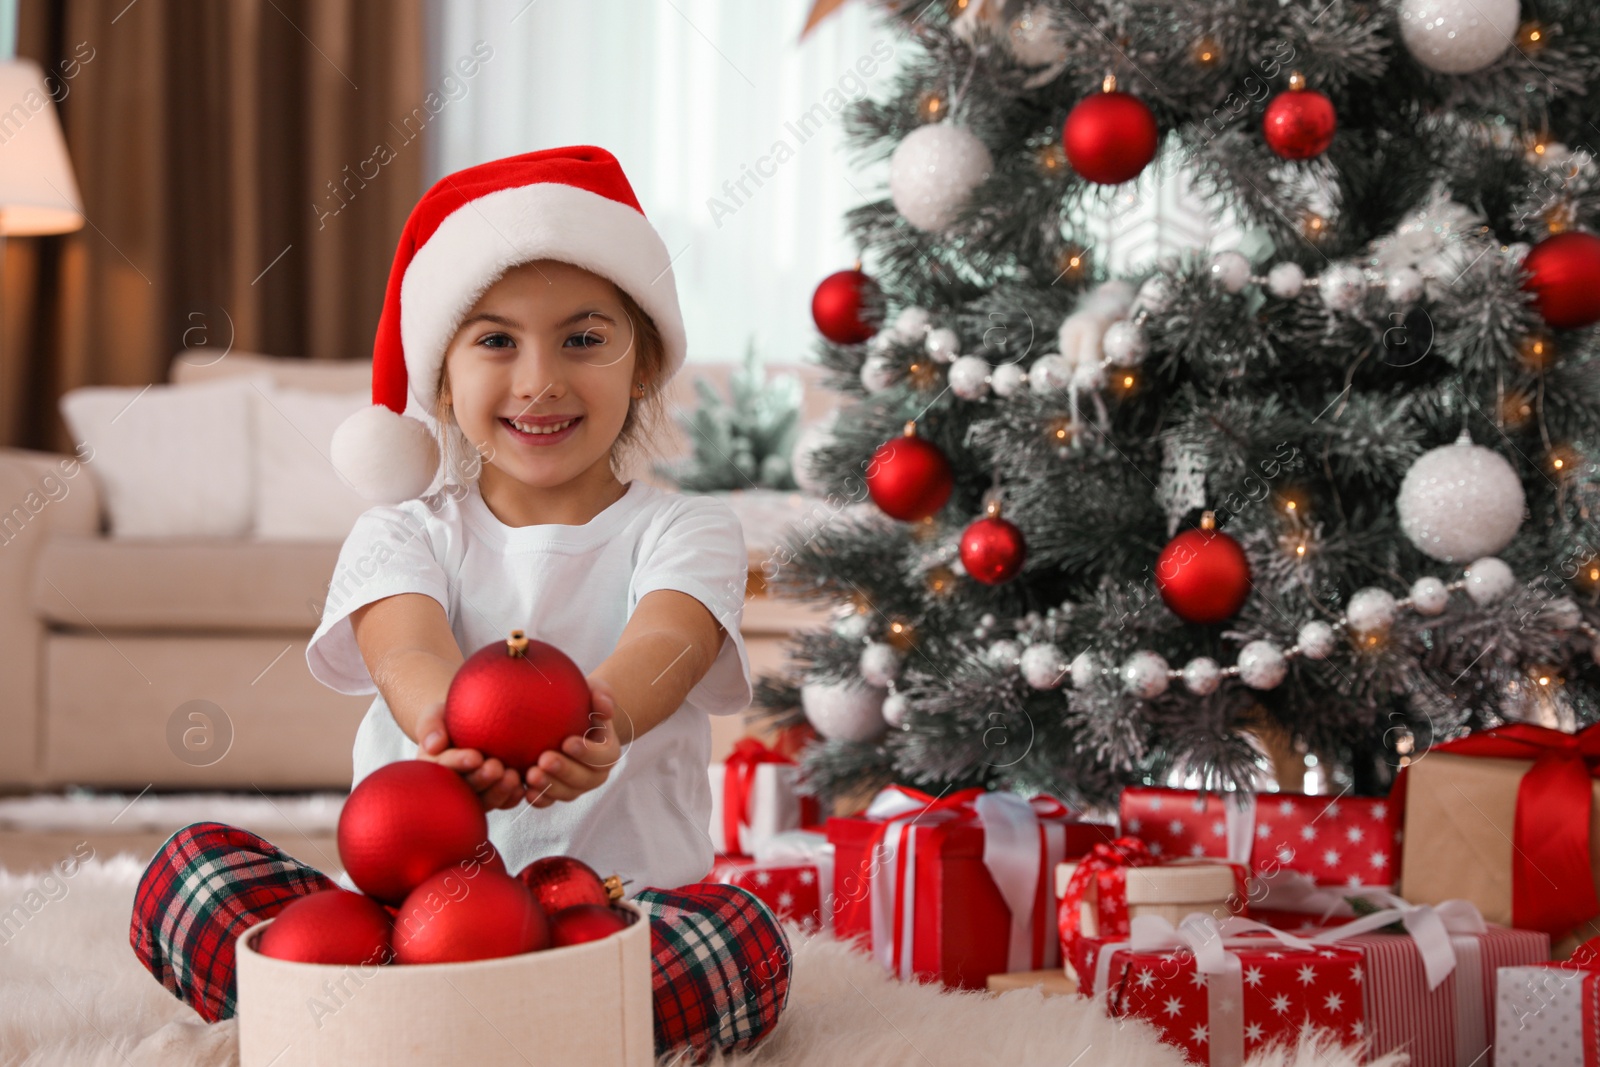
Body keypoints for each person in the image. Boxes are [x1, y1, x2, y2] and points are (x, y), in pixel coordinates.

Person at [128, 145, 792, 1061]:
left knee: (745, 939)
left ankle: (401, 1032)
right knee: (187, 876)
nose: (540, 380)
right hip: (410, 921)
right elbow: (405, 648)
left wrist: (605, 715)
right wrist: (448, 726)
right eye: (495, 341)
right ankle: (496, 1031)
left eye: (584, 338)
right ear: (440, 374)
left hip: (606, 922)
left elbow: (669, 643)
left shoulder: (687, 528)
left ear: (642, 363)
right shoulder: (404, 531)